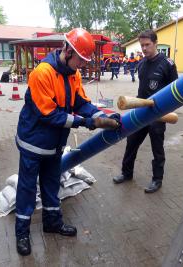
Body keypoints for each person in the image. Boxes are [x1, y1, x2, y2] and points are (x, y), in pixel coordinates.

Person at [15, 28, 120, 256]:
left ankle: (52, 222)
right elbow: (49, 114)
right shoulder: (42, 73)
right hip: (33, 143)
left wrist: (103, 115)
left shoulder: (74, 74)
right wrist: (86, 122)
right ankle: (21, 233)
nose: (82, 65)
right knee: (27, 187)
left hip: (53, 144)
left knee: (52, 184)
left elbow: (81, 102)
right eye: (80, 60)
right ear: (68, 50)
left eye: (84, 61)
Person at [113, 30, 178, 193]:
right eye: (142, 45)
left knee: (157, 148)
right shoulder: (141, 64)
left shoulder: (167, 64)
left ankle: (157, 180)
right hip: (141, 113)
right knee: (131, 143)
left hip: (158, 115)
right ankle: (126, 173)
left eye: (147, 45)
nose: (144, 48)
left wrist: (167, 111)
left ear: (156, 43)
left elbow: (176, 90)